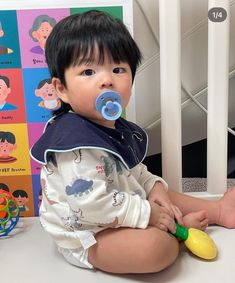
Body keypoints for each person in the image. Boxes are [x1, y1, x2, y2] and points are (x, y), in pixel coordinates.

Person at [30, 10, 235, 274]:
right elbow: (90, 205)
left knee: (164, 194)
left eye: (118, 69)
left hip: (119, 208)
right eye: (89, 71)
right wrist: (148, 213)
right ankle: (179, 232)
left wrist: (155, 190)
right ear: (62, 89)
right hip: (90, 233)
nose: (106, 80)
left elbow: (133, 171)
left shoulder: (112, 127)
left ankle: (217, 210)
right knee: (155, 249)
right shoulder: (73, 142)